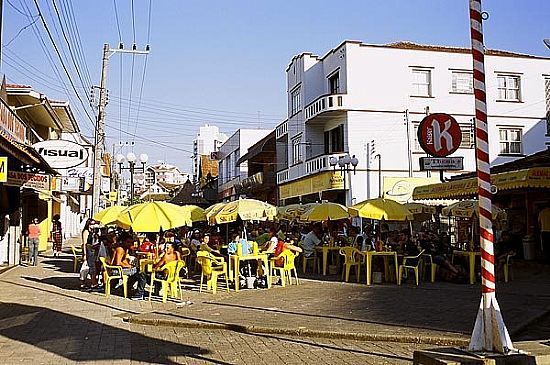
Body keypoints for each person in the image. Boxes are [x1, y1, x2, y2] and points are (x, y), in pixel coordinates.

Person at [111, 232, 147, 300]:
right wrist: (129, 267)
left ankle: (126, 287)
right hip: (115, 270)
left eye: (131, 242)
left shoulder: (125, 249)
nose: (130, 244)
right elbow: (118, 263)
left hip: (119, 269)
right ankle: (139, 293)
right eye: (128, 242)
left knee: (137, 273)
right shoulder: (120, 249)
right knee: (140, 272)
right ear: (124, 241)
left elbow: (123, 261)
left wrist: (129, 265)